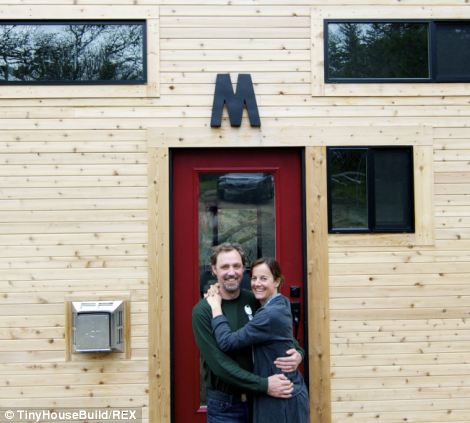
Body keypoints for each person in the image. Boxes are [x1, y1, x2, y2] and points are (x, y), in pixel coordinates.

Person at [192, 243, 303, 423]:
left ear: (243, 268)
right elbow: (219, 364)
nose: (231, 272)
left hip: (262, 402)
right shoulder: (203, 311)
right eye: (224, 267)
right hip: (225, 407)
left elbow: (281, 335)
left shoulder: (254, 299)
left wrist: (299, 353)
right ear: (214, 270)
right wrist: (264, 385)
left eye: (236, 266)